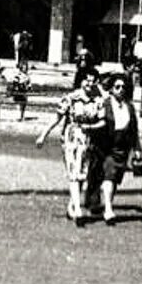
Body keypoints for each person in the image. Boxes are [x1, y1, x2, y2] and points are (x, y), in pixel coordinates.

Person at [36, 66, 105, 224]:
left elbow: (102, 121)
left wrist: (91, 128)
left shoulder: (98, 99)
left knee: (82, 175)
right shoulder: (71, 98)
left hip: (88, 140)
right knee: (74, 173)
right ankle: (78, 211)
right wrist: (43, 136)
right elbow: (57, 118)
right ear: (81, 81)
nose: (89, 83)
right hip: (72, 140)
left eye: (93, 81)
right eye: (86, 80)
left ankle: (71, 206)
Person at [91, 73, 142, 226]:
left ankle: (105, 205)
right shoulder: (104, 104)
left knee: (115, 179)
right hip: (106, 147)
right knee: (110, 175)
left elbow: (134, 131)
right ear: (111, 89)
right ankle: (108, 209)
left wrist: (137, 149)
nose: (121, 90)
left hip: (122, 149)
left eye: (123, 87)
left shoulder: (129, 107)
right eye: (117, 87)